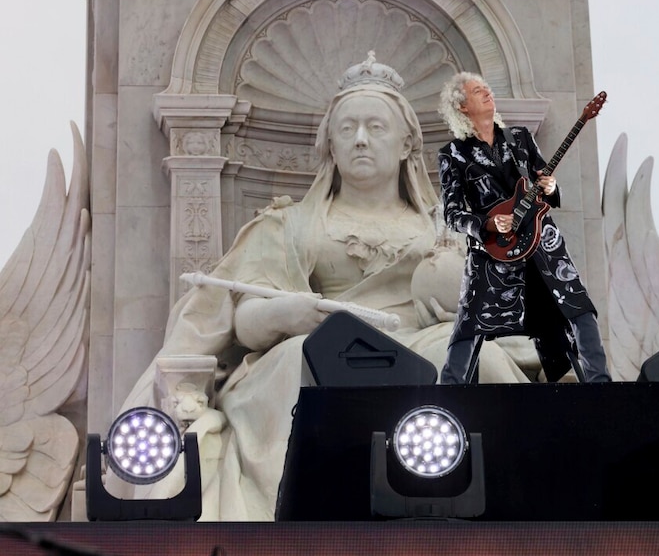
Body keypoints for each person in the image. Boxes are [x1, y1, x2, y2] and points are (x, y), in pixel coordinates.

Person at [110, 55, 532, 520]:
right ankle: (290, 517)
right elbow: (242, 319)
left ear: (408, 142)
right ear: (330, 142)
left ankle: (513, 510)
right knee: (300, 359)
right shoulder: (288, 225)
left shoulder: (446, 228)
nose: (361, 139)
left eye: (376, 126)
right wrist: (281, 315)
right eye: (347, 128)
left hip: (423, 343)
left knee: (483, 358)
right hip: (318, 346)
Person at [436, 72, 611, 385]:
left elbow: (545, 184)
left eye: (487, 87)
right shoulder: (453, 155)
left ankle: (600, 384)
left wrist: (551, 186)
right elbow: (452, 214)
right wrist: (487, 223)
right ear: (462, 107)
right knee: (470, 324)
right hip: (493, 253)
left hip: (542, 242)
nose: (487, 92)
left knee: (578, 307)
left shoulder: (520, 138)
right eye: (478, 91)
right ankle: (449, 394)